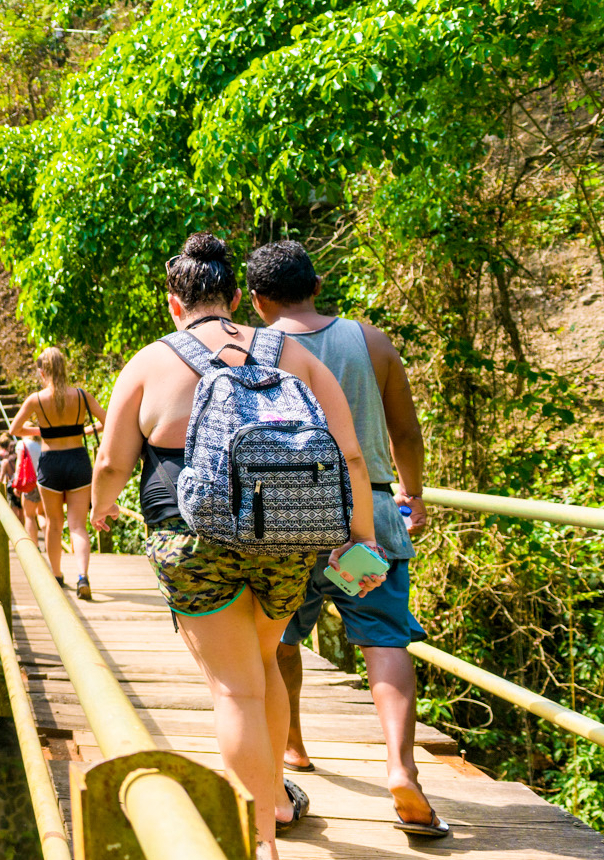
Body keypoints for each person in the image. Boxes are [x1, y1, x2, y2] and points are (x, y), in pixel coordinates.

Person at [89, 232, 385, 859]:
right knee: (264, 665)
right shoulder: (293, 353)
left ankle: (260, 841)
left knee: (234, 689)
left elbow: (113, 461)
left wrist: (98, 508)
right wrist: (361, 538)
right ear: (234, 297)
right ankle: (274, 800)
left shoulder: (150, 361)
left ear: (175, 304)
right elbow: (350, 453)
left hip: (192, 538)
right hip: (286, 533)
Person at [246, 240, 444, 837]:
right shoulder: (371, 341)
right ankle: (401, 768)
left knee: (279, 637)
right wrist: (414, 492)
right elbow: (405, 430)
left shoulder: (251, 349)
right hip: (372, 515)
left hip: (287, 519)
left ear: (255, 300)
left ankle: (293, 747)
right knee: (384, 640)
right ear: (318, 283)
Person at [10, 348, 104, 597]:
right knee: (78, 526)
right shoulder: (82, 396)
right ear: (65, 367)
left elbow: (15, 429)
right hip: (78, 461)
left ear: (42, 371)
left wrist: (42, 432)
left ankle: (57, 576)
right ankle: (83, 576)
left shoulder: (36, 399)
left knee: (53, 524)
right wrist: (80, 431)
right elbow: (107, 421)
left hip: (50, 463)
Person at [12, 437, 46, 547]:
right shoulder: (42, 442)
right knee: (41, 513)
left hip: (30, 482)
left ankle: (34, 546)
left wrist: (17, 484)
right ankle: (49, 542)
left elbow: (20, 464)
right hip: (44, 481)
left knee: (29, 516)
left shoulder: (23, 444)